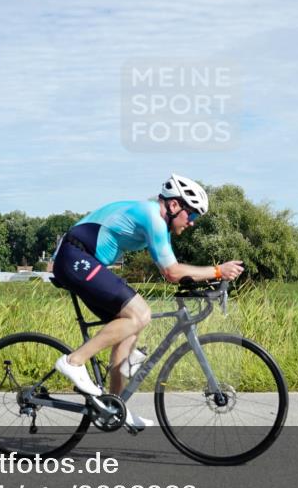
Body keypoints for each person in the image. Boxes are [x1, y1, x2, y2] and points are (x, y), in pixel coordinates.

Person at [51, 174, 244, 429]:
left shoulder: (155, 223)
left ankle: (113, 405)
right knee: (140, 313)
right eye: (193, 215)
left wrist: (204, 281)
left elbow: (172, 273)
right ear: (175, 206)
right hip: (74, 256)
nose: (193, 223)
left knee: (129, 324)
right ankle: (73, 362)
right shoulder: (152, 216)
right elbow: (172, 272)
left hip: (83, 259)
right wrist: (218, 271)